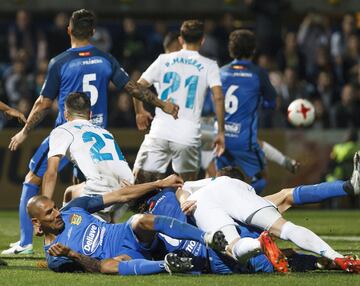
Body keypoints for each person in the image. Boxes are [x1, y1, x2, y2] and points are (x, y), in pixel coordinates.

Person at [3, 9, 179, 255]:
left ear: (69, 30)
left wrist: (24, 131)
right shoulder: (105, 59)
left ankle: (24, 243)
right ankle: (100, 241)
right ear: (93, 33)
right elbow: (132, 88)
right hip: (96, 134)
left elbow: (43, 103)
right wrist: (163, 105)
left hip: (65, 132)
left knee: (32, 179)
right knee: (83, 192)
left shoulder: (61, 62)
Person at [175, 159, 360, 273]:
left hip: (203, 206)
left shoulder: (206, 186)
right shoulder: (239, 187)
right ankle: (336, 256)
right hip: (236, 199)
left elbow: (181, 188)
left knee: (233, 248)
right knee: (285, 226)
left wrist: (184, 200)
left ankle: (258, 244)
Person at [27, 176, 227, 275]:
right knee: (107, 267)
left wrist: (159, 183)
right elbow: (94, 268)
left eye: (54, 207)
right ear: (37, 223)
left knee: (140, 220)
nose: (57, 213)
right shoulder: (55, 258)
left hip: (126, 233)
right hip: (121, 257)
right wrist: (73, 255)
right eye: (49, 213)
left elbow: (120, 195)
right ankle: (169, 265)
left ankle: (206, 237)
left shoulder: (72, 209)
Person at [132, 20, 225, 183]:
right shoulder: (209, 65)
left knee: (140, 182)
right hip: (187, 134)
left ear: (181, 39)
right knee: (187, 186)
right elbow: (218, 97)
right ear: (202, 40)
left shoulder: (163, 59)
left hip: (159, 131)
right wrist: (221, 132)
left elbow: (137, 87)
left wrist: (139, 111)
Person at [216, 29, 277, 194]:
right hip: (244, 139)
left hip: (220, 136)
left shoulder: (220, 72)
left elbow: (212, 102)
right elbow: (271, 102)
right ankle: (247, 208)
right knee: (262, 177)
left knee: (222, 181)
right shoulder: (258, 73)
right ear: (253, 50)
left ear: (231, 49)